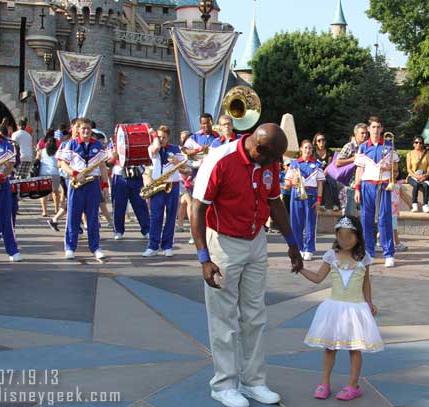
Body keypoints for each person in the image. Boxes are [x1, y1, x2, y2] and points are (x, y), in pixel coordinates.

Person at [191, 123, 303, 407]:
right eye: (273, 158)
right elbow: (197, 207)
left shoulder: (268, 162)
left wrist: (291, 242)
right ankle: (224, 384)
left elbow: (275, 202)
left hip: (256, 241)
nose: (276, 164)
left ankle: (253, 382)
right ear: (260, 148)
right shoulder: (221, 159)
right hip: (224, 244)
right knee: (224, 318)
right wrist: (204, 258)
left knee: (254, 316)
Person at [296, 215, 383, 401]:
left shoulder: (363, 258)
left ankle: (353, 385)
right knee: (329, 347)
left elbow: (366, 282)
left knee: (355, 348)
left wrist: (369, 301)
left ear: (358, 236)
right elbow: (318, 277)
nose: (345, 241)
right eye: (341, 236)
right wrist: (301, 269)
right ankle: (324, 383)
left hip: (356, 308)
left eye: (349, 236)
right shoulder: (331, 256)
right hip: (334, 309)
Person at [58, 117, 110, 260]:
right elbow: (63, 165)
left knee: (93, 216)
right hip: (76, 183)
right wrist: (75, 173)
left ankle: (95, 247)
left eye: (88, 129)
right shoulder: (71, 144)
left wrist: (105, 185)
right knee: (73, 216)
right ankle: (70, 247)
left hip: (93, 183)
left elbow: (102, 167)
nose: (86, 131)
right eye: (83, 129)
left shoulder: (98, 145)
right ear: (78, 130)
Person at [353, 116, 397, 267]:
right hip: (367, 185)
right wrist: (357, 188)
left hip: (384, 185)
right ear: (369, 128)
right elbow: (359, 169)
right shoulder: (363, 147)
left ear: (382, 129)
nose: (376, 130)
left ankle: (389, 254)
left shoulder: (390, 145)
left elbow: (396, 170)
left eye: (378, 127)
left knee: (385, 219)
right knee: (366, 220)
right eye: (373, 127)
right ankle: (368, 252)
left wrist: (389, 168)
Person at [142, 125, 187, 257]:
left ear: (168, 138)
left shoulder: (175, 149)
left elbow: (184, 167)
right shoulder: (152, 147)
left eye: (164, 137)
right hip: (158, 184)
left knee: (171, 216)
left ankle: (167, 245)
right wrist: (154, 135)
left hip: (172, 184)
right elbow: (156, 147)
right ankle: (153, 246)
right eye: (159, 137)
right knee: (156, 216)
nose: (161, 139)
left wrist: (176, 161)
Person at [0, 114, 22, 261]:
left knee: (6, 218)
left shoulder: (7, 145)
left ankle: (12, 251)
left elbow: (9, 166)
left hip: (2, 185)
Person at [285, 139, 325, 261]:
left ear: (312, 150)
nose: (307, 150)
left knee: (310, 223)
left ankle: (309, 249)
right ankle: (298, 248)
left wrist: (319, 200)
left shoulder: (317, 165)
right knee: (296, 223)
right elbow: (287, 183)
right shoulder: (294, 164)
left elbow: (320, 184)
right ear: (301, 149)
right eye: (305, 148)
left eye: (310, 148)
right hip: (296, 194)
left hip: (311, 195)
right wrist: (293, 181)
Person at [109, 134, 150, 240]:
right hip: (120, 175)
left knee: (140, 204)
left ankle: (146, 229)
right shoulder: (113, 145)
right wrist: (114, 156)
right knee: (118, 204)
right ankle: (118, 230)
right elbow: (108, 162)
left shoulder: (139, 143)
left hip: (136, 175)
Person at [336, 123, 368, 216]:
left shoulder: (368, 147)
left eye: (366, 133)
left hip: (366, 182)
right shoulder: (349, 146)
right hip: (351, 183)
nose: (365, 135)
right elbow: (338, 162)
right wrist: (353, 159)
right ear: (356, 134)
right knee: (350, 213)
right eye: (362, 133)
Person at [37, 130, 62, 217]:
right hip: (55, 173)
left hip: (44, 173)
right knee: (56, 192)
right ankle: (57, 209)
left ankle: (44, 211)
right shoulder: (58, 152)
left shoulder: (42, 151)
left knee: (43, 193)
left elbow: (37, 160)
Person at [313, 132, 338, 212]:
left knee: (332, 181)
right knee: (321, 182)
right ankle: (322, 204)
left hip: (328, 172)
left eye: (323, 140)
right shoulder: (313, 153)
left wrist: (324, 174)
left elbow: (330, 165)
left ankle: (335, 204)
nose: (321, 142)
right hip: (317, 173)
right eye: (319, 140)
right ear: (316, 142)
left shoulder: (329, 152)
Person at [406, 136, 429, 213]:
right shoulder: (410, 154)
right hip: (413, 176)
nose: (418, 144)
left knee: (426, 186)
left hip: (424, 175)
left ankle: (425, 205)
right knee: (416, 185)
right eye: (416, 142)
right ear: (413, 144)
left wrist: (426, 174)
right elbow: (409, 169)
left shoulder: (426, 153)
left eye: (420, 143)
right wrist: (416, 176)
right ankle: (414, 204)